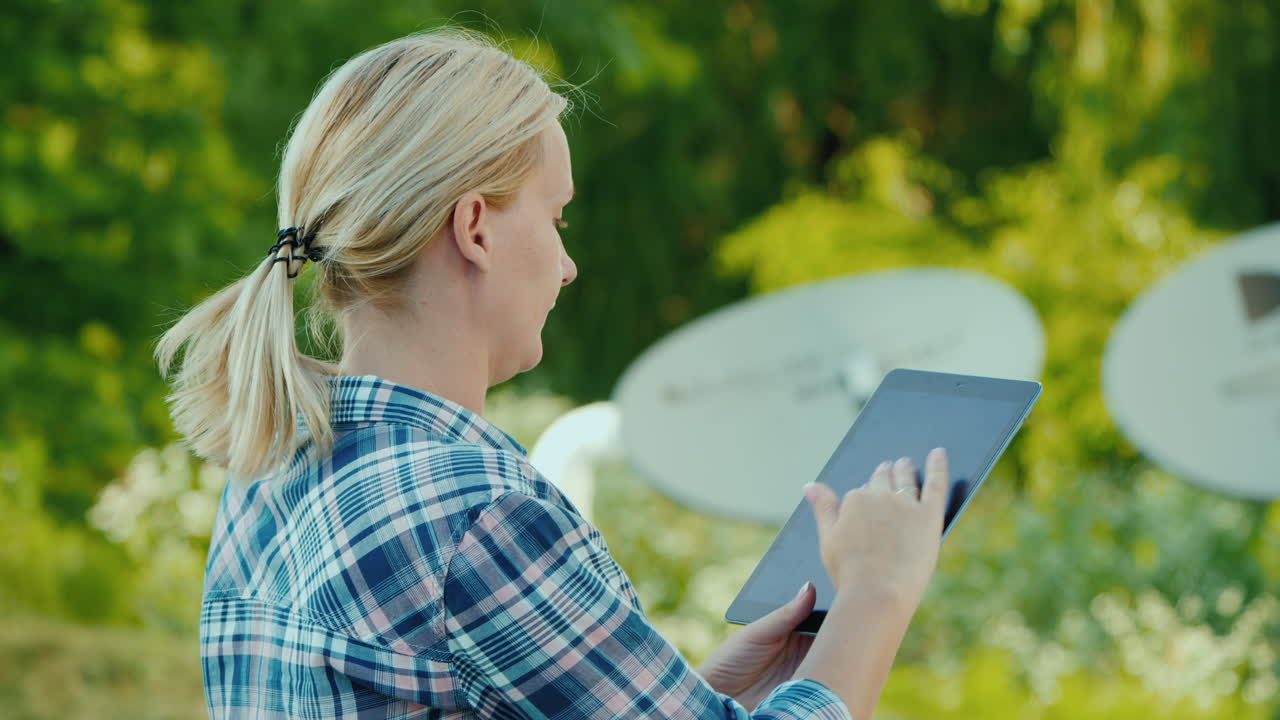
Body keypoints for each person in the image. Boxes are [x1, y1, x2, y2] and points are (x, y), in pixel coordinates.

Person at [157, 29, 951, 720]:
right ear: (475, 228)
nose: (568, 266)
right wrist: (877, 594)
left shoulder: (273, 466)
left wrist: (699, 691)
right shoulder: (477, 512)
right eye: (556, 215)